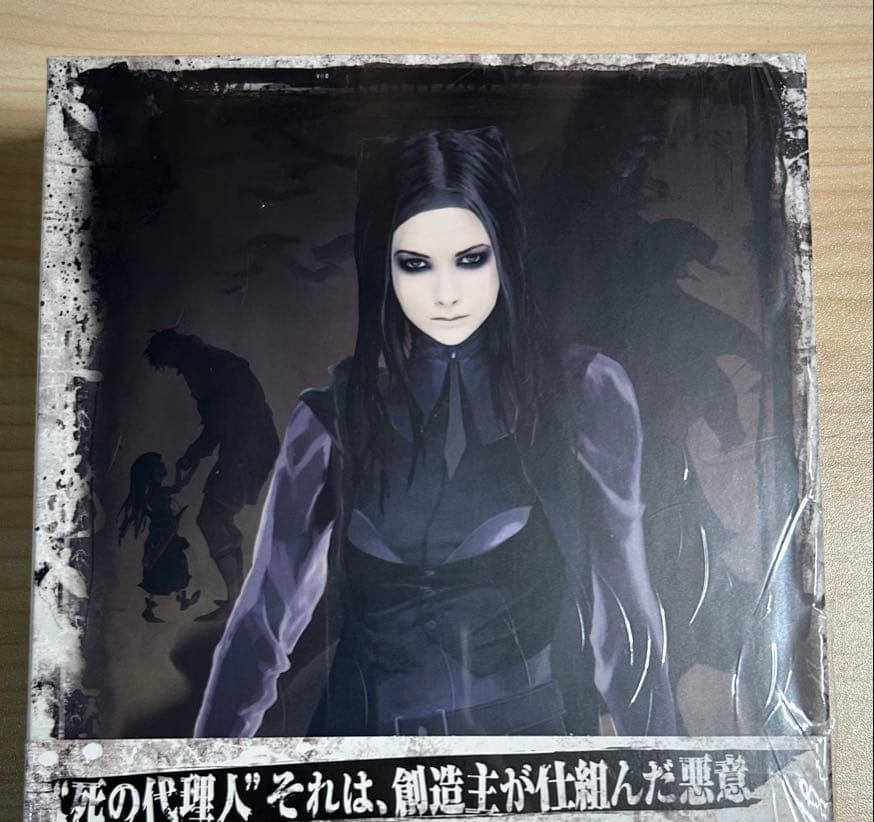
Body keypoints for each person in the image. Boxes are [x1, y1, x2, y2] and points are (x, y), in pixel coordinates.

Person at [195, 126, 677, 738]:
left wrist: (666, 776)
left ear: (505, 251)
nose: (446, 293)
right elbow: (259, 631)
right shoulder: (328, 422)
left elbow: (627, 624)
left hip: (529, 758)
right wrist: (197, 776)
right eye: (415, 264)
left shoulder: (583, 393)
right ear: (385, 267)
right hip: (365, 760)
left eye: (471, 259)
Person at [145, 330, 280, 621]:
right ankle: (238, 599)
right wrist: (194, 455)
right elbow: (219, 422)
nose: (176, 371)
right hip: (250, 446)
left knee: (212, 518)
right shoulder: (209, 363)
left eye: (172, 363)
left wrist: (194, 453)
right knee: (220, 519)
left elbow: (220, 422)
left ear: (175, 350)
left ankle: (235, 601)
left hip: (248, 448)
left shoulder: (207, 366)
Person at [118, 452, 200, 621]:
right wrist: (184, 469)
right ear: (152, 472)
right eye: (158, 465)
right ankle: (157, 607)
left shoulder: (154, 492)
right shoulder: (156, 492)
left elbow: (177, 488)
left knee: (169, 567)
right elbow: (177, 488)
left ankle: (177, 600)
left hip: (165, 536)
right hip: (163, 537)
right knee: (167, 567)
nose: (162, 468)